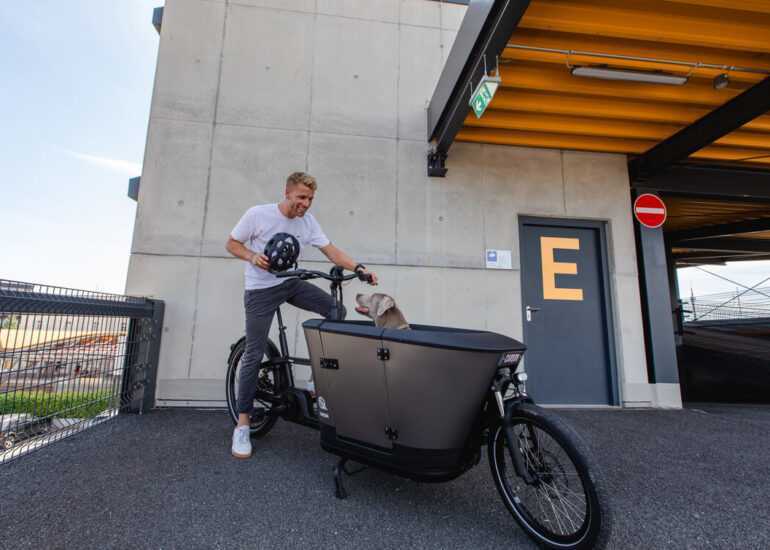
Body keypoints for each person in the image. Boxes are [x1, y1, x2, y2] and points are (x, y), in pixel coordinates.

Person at [225, 171, 378, 458]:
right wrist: (251, 256)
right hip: (260, 290)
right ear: (288, 193)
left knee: (336, 310)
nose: (306, 204)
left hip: (290, 283)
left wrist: (358, 268)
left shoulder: (308, 222)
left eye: (310, 199)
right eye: (302, 197)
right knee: (254, 352)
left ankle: (313, 379)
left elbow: (330, 250)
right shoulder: (258, 214)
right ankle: (242, 425)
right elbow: (232, 243)